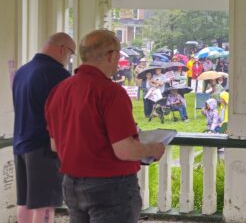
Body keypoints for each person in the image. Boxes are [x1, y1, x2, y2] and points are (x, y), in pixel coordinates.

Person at [44, 30, 165, 223]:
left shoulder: (59, 90)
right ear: (112, 55)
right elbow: (124, 150)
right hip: (111, 187)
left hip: (72, 183)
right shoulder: (111, 92)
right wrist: (154, 148)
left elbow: (55, 146)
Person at [12, 33, 75, 223]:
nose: (69, 60)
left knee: (24, 202)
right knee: (45, 204)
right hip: (44, 147)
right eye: (71, 54)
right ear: (63, 49)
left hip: (21, 143)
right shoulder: (57, 74)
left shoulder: (22, 71)